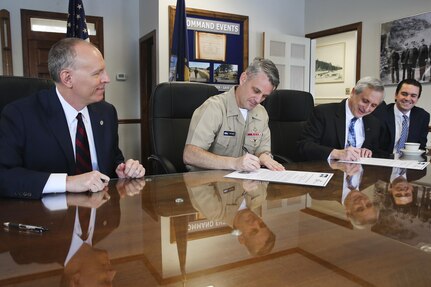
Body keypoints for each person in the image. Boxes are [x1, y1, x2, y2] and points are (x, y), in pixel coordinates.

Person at [0, 38, 145, 199]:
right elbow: (5, 176)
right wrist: (67, 182)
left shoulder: (107, 112)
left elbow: (114, 159)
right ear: (67, 78)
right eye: (97, 73)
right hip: (48, 217)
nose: (107, 79)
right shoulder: (20, 114)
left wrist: (122, 170)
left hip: (101, 212)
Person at [183, 57, 285, 172]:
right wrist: (234, 163)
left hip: (245, 184)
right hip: (209, 183)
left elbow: (262, 149)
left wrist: (264, 156)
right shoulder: (214, 107)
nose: (258, 99)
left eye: (264, 96)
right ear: (243, 79)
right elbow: (190, 155)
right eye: (256, 91)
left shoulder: (261, 113)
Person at [184, 171, 275, 256]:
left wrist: (234, 176)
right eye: (262, 224)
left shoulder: (215, 211)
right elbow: (264, 166)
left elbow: (192, 177)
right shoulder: (259, 197)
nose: (256, 222)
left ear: (241, 238)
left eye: (253, 231)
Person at [298, 76, 385, 161]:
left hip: (358, 173)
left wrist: (368, 152)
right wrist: (336, 153)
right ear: (353, 92)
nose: (367, 109)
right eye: (365, 101)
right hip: (327, 171)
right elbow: (304, 146)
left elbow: (376, 152)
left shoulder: (373, 123)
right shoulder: (323, 113)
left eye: (373, 105)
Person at [374, 78, 429, 156]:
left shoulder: (422, 116)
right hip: (384, 161)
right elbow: (373, 147)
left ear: (417, 99)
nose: (407, 98)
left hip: (410, 162)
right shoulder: (380, 114)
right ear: (396, 95)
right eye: (404, 94)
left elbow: (421, 146)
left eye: (413, 96)